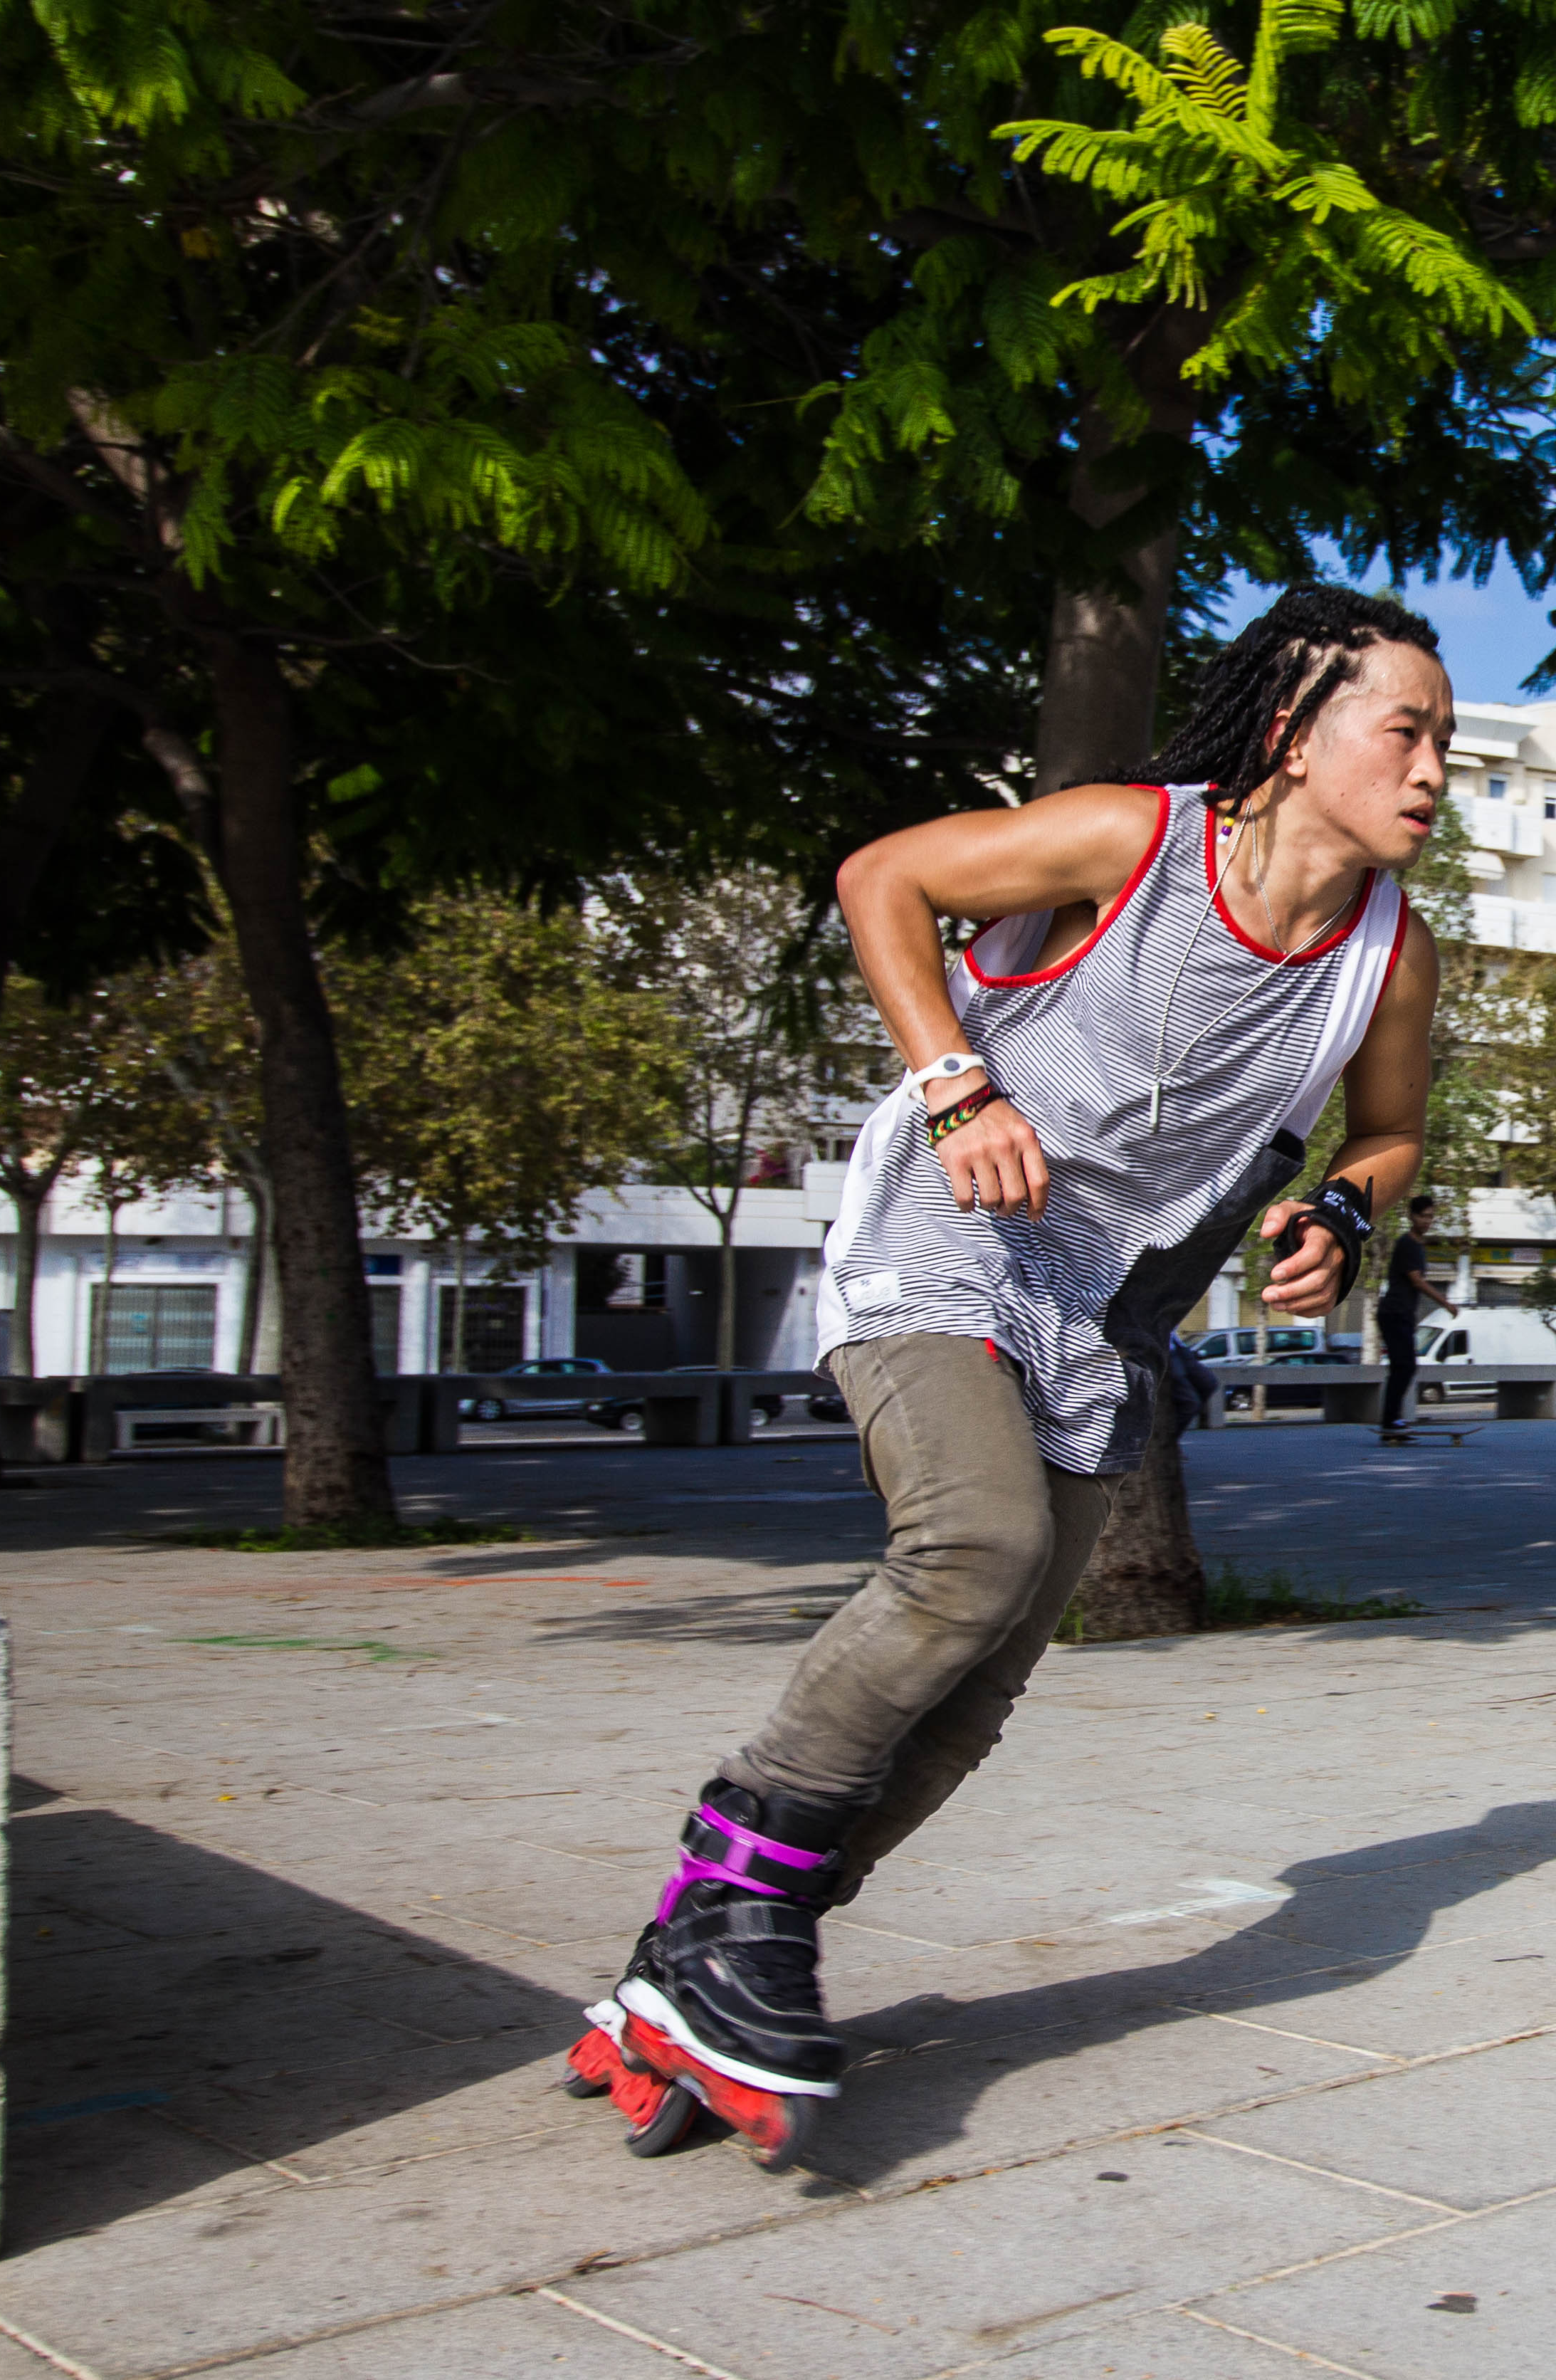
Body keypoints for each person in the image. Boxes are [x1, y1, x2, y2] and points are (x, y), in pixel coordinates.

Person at [560, 587, 1449, 2170]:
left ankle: (708, 1957)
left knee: (971, 1702)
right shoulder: (1129, 838)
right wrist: (958, 1084)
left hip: (1107, 1314)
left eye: (1447, 739)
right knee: (971, 1550)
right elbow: (882, 877)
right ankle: (732, 1917)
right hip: (947, 1243)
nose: (1437, 766)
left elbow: (1387, 1131)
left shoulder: (1384, 957)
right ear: (1298, 732)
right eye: (1407, 728)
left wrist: (1341, 1208)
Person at [1377, 1193, 1459, 1435]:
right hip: (1393, 1313)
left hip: (1402, 1314)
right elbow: (1417, 1282)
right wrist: (1446, 1303)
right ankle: (1390, 1420)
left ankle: (1392, 1419)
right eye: (1423, 1216)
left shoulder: (1418, 1246)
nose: (1428, 1221)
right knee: (1404, 1367)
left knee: (1403, 1367)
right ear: (1412, 1216)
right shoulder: (1407, 1243)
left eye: (1431, 1217)